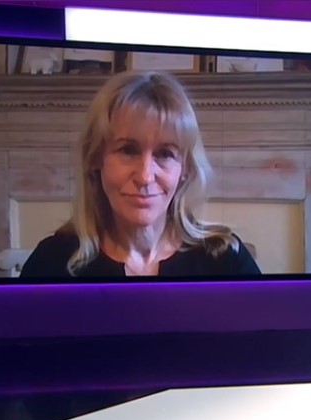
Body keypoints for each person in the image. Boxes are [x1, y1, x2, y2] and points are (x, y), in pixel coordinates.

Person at [20, 70, 261, 279]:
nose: (145, 177)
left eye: (165, 154)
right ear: (95, 159)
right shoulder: (51, 262)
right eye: (127, 150)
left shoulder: (225, 258)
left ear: (185, 168)